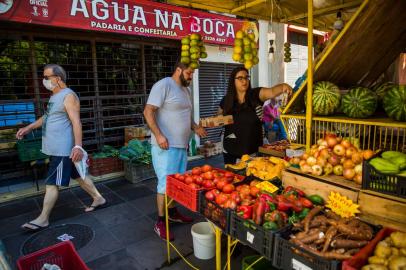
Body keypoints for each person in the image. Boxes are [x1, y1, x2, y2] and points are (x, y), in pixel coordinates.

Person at [16, 64, 106, 232]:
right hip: (56, 147)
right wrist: (29, 128)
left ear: (57, 79)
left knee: (51, 183)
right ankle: (98, 198)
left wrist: (78, 146)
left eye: (46, 77)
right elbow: (47, 117)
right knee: (78, 175)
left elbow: (76, 122)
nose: (44, 81)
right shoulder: (54, 96)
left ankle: (43, 219)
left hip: (62, 149)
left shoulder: (68, 96)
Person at [143, 62, 207, 241]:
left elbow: (186, 116)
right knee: (165, 184)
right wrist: (159, 135)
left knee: (177, 183)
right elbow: (148, 112)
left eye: (192, 73)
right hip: (165, 147)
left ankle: (172, 212)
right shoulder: (163, 85)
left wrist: (196, 128)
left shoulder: (185, 91)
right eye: (188, 73)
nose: (190, 77)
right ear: (178, 69)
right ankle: (160, 222)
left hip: (181, 146)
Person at [218, 66, 292, 164]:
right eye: (240, 78)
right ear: (233, 81)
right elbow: (218, 118)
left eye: (246, 77)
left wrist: (283, 86)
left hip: (252, 153)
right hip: (230, 151)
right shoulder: (226, 100)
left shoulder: (256, 95)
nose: (244, 81)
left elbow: (272, 91)